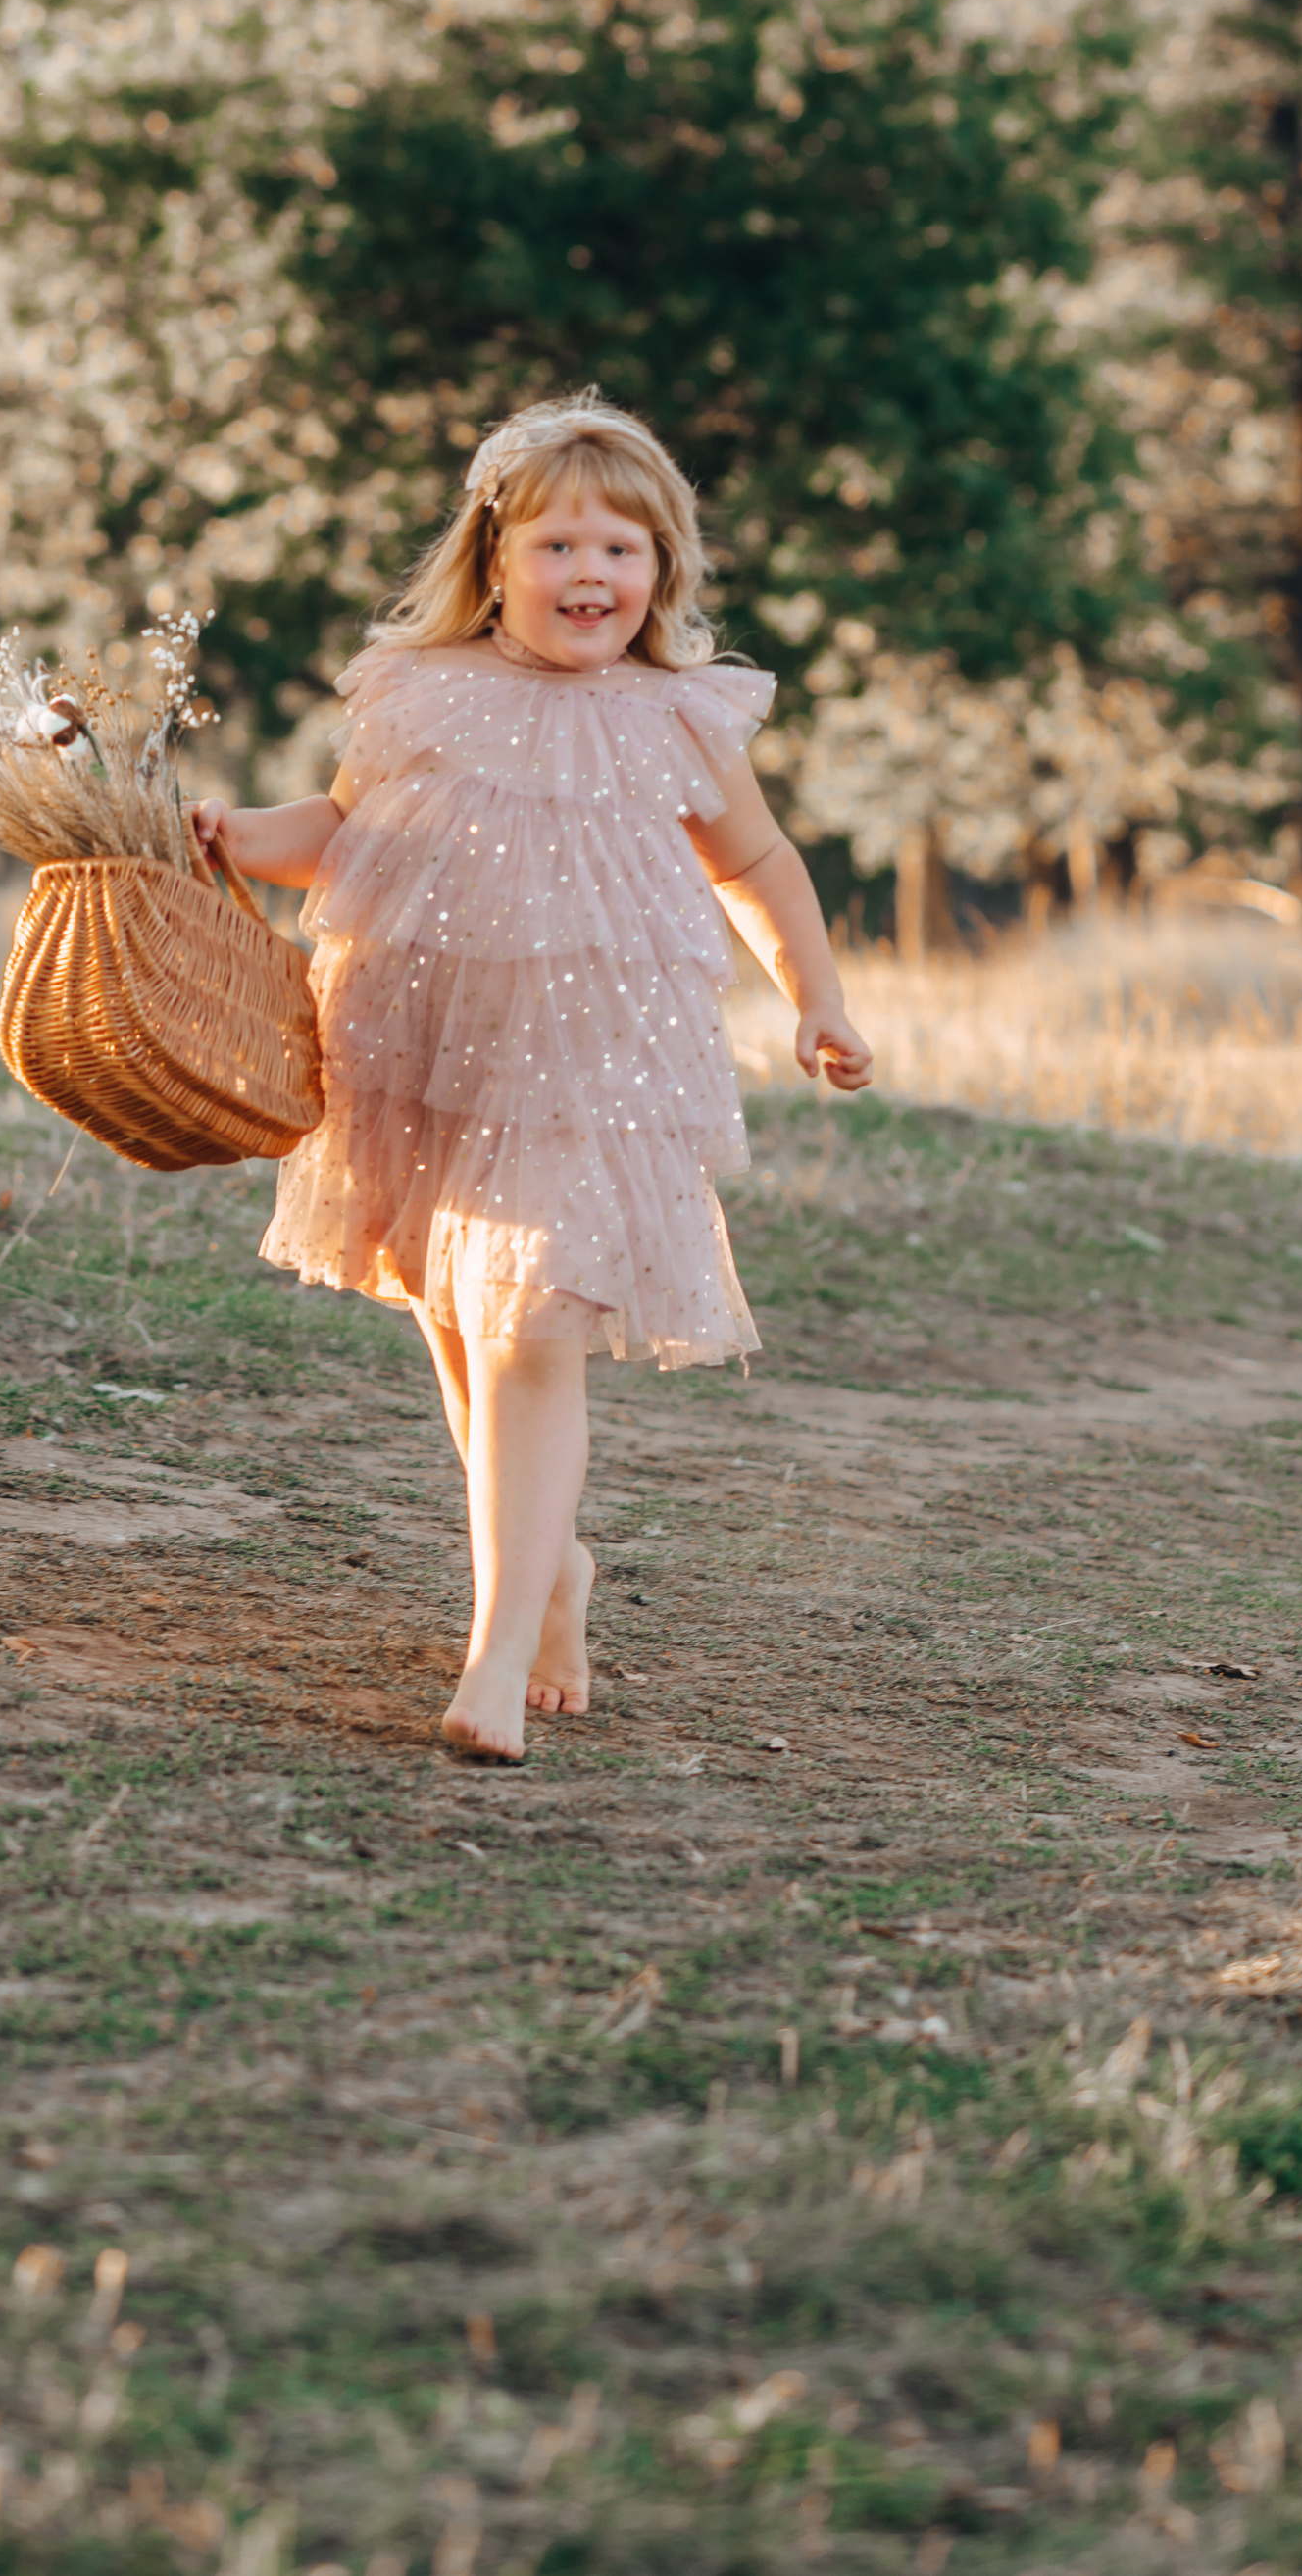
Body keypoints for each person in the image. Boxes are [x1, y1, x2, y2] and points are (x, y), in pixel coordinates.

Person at [193, 393, 874, 1765]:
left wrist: (820, 998)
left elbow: (756, 865)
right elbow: (340, 834)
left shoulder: (681, 716)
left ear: (662, 570)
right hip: (425, 1047)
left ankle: (495, 1650)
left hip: (596, 1065)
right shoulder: (422, 691)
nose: (591, 576)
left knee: (527, 1332)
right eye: (561, 544)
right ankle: (553, 1568)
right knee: (459, 1329)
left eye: (622, 549)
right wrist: (219, 835)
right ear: (495, 557)